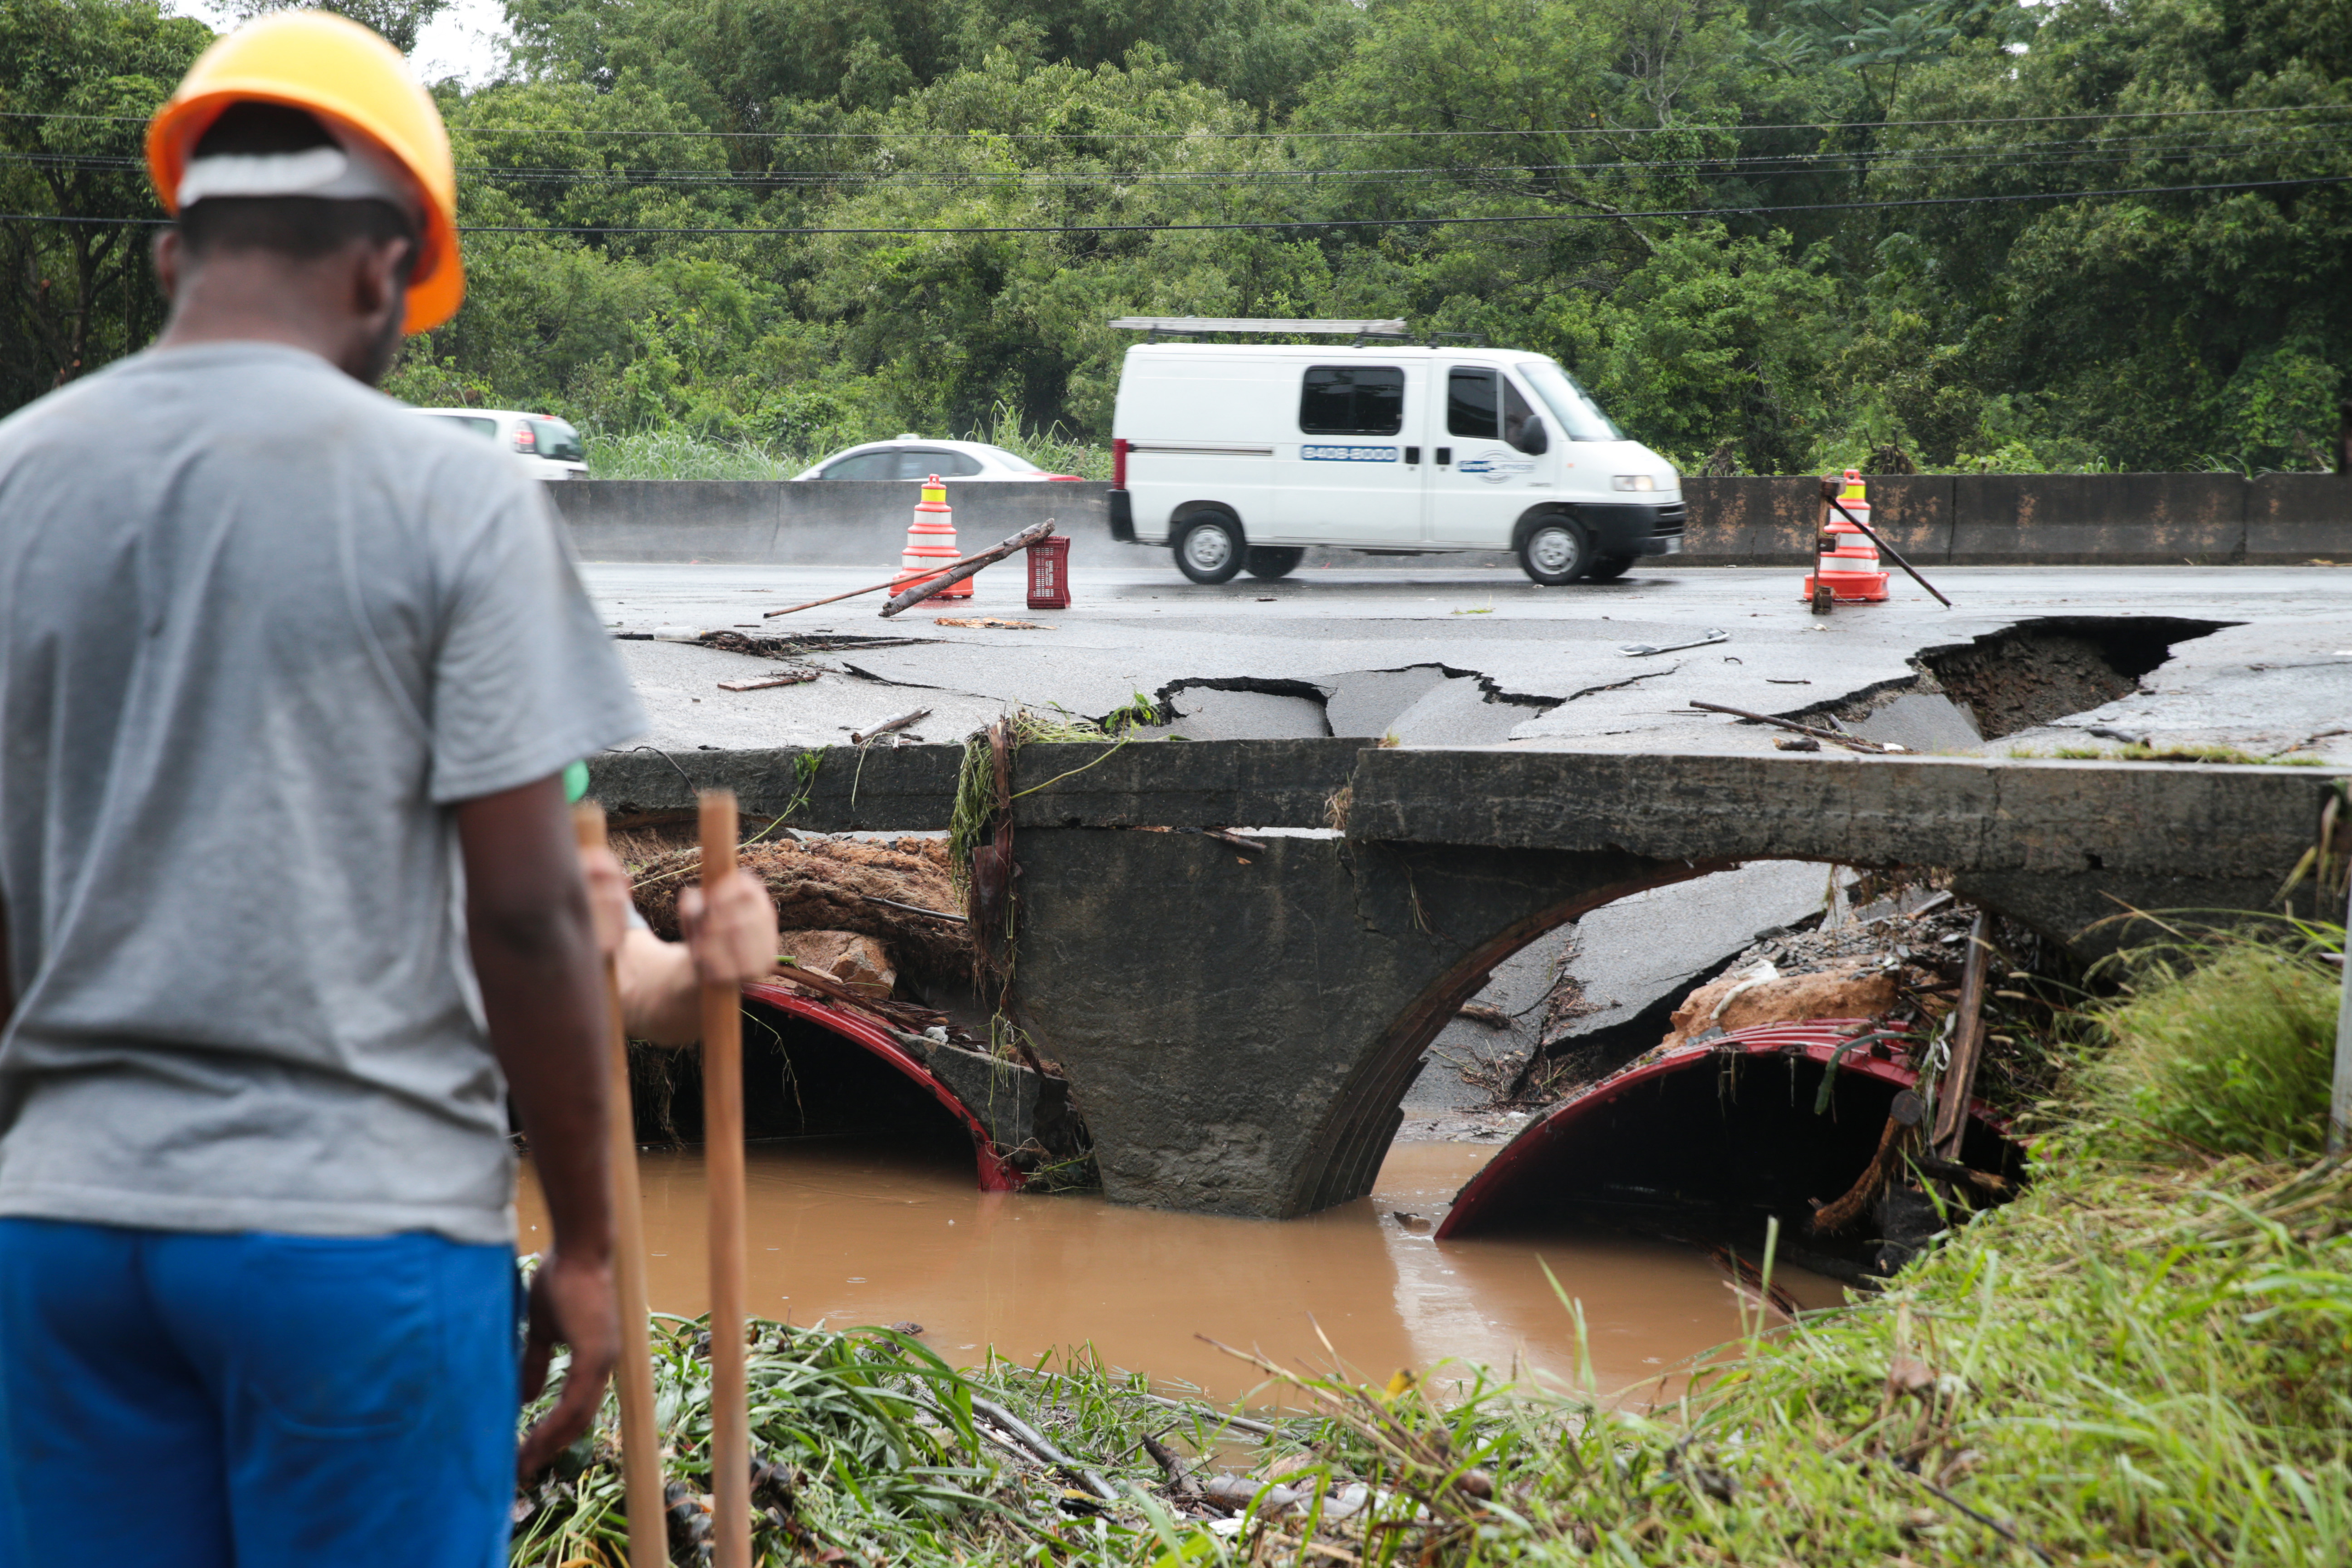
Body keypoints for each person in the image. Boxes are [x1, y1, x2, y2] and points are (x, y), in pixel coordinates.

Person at [0, 15, 643, 1565]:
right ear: (381, 269)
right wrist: (594, 1243)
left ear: (173, 257)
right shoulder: (456, 502)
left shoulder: (15, 481)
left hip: (63, 1233)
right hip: (355, 1239)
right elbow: (531, 913)